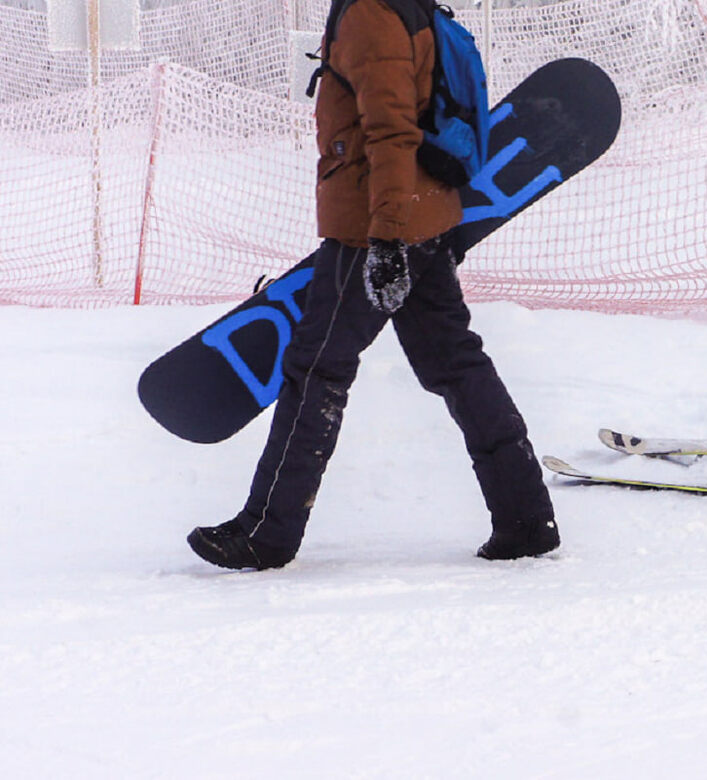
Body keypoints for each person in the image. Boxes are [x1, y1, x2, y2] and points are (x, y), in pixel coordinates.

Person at [186, 0, 558, 569]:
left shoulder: (370, 14)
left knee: (317, 370)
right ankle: (525, 519)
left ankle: (266, 533)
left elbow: (391, 130)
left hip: (376, 225)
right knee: (457, 365)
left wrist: (386, 239)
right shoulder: (400, 7)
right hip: (420, 213)